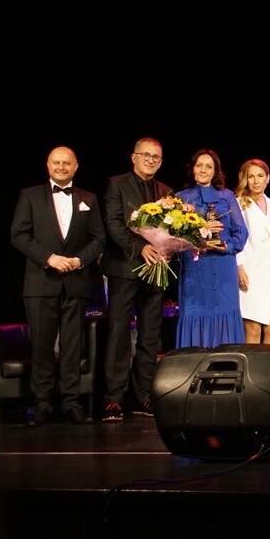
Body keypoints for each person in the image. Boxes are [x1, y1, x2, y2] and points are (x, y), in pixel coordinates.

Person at [10, 146, 105, 426]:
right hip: (41, 283)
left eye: (66, 163)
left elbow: (99, 239)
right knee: (41, 345)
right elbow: (18, 234)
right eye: (56, 162)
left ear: (76, 166)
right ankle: (42, 403)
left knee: (73, 346)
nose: (61, 167)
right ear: (48, 165)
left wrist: (78, 260)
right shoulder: (30, 195)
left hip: (76, 282)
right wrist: (49, 258)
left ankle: (71, 402)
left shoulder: (89, 198)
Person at [100, 138, 173, 422]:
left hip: (156, 270)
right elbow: (114, 223)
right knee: (119, 333)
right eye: (146, 155)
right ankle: (114, 399)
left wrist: (168, 249)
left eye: (156, 157)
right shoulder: (116, 184)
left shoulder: (166, 191)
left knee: (150, 334)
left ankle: (144, 396)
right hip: (124, 267)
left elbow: (173, 229)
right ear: (134, 157)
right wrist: (141, 247)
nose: (151, 160)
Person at [174, 149, 247, 348]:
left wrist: (227, 246)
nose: (203, 170)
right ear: (192, 169)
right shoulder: (181, 198)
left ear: (216, 171)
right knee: (196, 312)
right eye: (199, 165)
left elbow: (241, 232)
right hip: (195, 268)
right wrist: (200, 236)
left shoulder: (227, 196)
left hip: (224, 267)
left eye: (209, 166)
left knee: (225, 312)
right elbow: (175, 237)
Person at [234, 158, 270, 344]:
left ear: (267, 178)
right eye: (251, 176)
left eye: (260, 176)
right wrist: (240, 268)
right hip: (251, 270)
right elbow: (236, 238)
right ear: (245, 179)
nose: (256, 181)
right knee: (253, 329)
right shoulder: (239, 203)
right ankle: (251, 365)